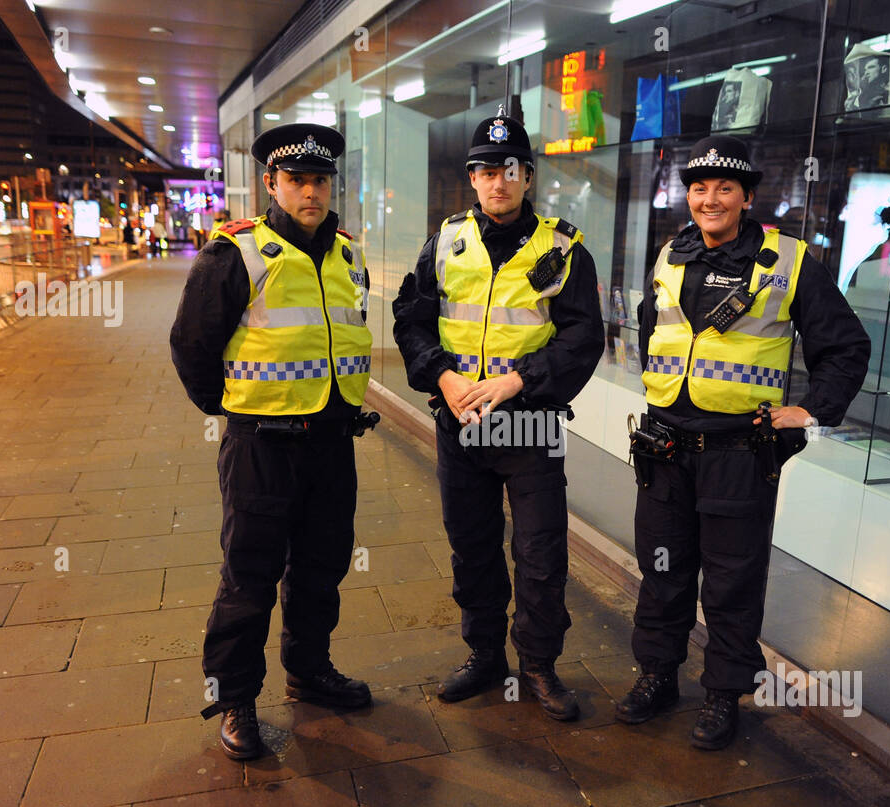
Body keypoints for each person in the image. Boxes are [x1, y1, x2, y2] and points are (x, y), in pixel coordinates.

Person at [620, 135, 870, 749]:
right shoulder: (668, 257)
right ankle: (657, 676)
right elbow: (654, 333)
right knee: (662, 572)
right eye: (699, 188)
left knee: (733, 580)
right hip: (665, 448)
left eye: (724, 188)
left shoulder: (789, 261)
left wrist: (810, 410)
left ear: (747, 197)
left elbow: (845, 347)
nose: (709, 199)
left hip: (740, 452)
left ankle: (721, 696)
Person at [169, 123, 376, 761]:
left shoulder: (348, 254)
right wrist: (234, 410)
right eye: (296, 180)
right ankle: (234, 699)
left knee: (321, 568)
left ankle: (308, 670)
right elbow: (192, 345)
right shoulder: (235, 253)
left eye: (320, 180)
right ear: (271, 184)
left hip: (332, 443)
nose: (310, 191)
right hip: (262, 447)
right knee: (249, 576)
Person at [392, 109, 604, 720]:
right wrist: (443, 375)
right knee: (472, 546)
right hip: (460, 421)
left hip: (530, 424)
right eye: (484, 171)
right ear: (473, 180)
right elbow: (412, 316)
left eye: (509, 169)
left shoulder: (563, 249)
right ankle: (485, 655)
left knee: (540, 551)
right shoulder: (447, 241)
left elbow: (582, 338)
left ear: (528, 176)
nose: (497, 181)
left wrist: (518, 381)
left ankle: (538, 663)